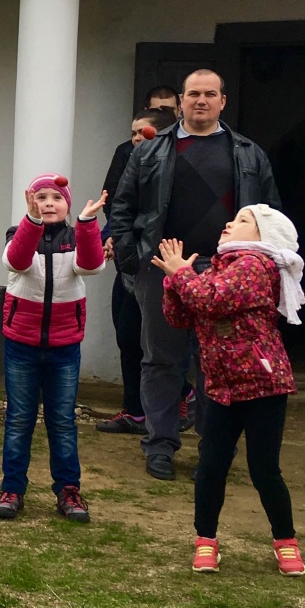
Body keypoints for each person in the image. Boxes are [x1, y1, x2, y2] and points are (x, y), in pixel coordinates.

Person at [109, 69, 280, 482]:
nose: (201, 100)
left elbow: (269, 214)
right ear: (181, 101)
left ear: (223, 101)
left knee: (216, 361)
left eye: (210, 94)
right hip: (162, 267)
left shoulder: (249, 153)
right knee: (160, 359)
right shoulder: (149, 151)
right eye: (193, 94)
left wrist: (265, 265)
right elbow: (123, 207)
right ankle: (160, 445)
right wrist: (133, 260)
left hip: (225, 272)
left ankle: (213, 449)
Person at [153, 205, 305, 576]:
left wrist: (183, 274)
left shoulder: (255, 265)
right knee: (211, 466)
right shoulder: (218, 268)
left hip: (263, 386)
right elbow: (181, 316)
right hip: (222, 387)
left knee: (264, 469)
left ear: (263, 235)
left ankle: (285, 541)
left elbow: (211, 300)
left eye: (242, 221)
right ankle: (205, 540)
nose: (229, 223)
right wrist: (174, 281)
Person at [0, 176, 107, 523]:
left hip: (64, 347)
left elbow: (91, 265)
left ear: (67, 205)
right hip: (21, 345)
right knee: (19, 420)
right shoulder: (18, 233)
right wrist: (31, 222)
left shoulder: (76, 237)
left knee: (62, 421)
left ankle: (68, 490)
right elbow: (16, 261)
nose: (48, 203)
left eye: (56, 198)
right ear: (31, 203)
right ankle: (12, 489)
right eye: (40, 197)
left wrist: (87, 224)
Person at [96, 107, 175, 435]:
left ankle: (176, 403)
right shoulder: (128, 160)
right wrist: (113, 237)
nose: (135, 139)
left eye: (142, 132)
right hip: (130, 264)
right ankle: (135, 412)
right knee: (127, 335)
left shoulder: (174, 167)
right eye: (132, 133)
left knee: (156, 343)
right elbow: (117, 207)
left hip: (161, 264)